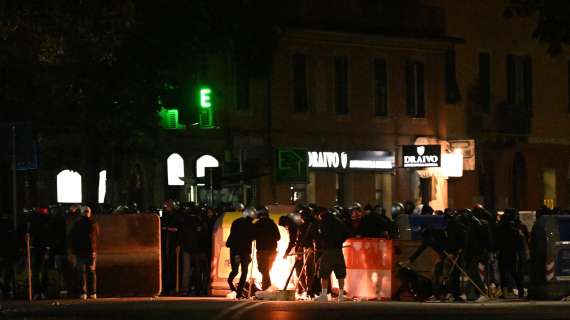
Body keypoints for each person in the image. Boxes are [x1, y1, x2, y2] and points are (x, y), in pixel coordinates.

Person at [315, 207, 349, 302]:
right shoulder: (339, 222)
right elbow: (347, 233)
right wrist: (340, 241)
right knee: (340, 273)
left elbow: (321, 236)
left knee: (324, 273)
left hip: (327, 250)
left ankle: (324, 295)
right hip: (338, 250)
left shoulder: (324, 223)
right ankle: (341, 295)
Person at [69, 206, 99, 300]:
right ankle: (93, 293)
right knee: (92, 272)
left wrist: (73, 251)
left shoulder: (76, 224)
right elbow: (97, 235)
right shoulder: (93, 223)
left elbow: (71, 238)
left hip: (80, 251)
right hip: (91, 251)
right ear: (89, 213)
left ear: (81, 213)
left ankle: (83, 293)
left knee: (81, 273)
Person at [497, 208, 528, 299]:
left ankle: (505, 293)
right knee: (514, 272)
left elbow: (497, 239)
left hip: (503, 252)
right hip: (513, 252)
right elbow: (520, 240)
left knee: (503, 273)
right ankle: (520, 291)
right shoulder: (517, 225)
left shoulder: (501, 224)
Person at [225, 207, 255, 298]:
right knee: (244, 272)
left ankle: (231, 283)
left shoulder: (236, 222)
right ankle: (239, 293)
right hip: (245, 251)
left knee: (235, 270)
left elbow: (233, 235)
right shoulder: (251, 225)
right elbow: (253, 236)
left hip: (235, 250)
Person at [253, 206, 280, 290]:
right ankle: (267, 286)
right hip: (272, 250)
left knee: (263, 269)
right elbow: (278, 237)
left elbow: (252, 236)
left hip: (262, 250)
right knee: (266, 269)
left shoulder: (257, 224)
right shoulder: (272, 224)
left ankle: (266, 287)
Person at [29, 207, 53, 300]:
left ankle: (37, 292)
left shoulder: (33, 220)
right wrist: (48, 248)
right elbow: (50, 235)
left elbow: (30, 233)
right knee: (44, 271)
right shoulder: (48, 221)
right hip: (44, 248)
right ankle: (43, 291)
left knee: (35, 271)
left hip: (35, 248)